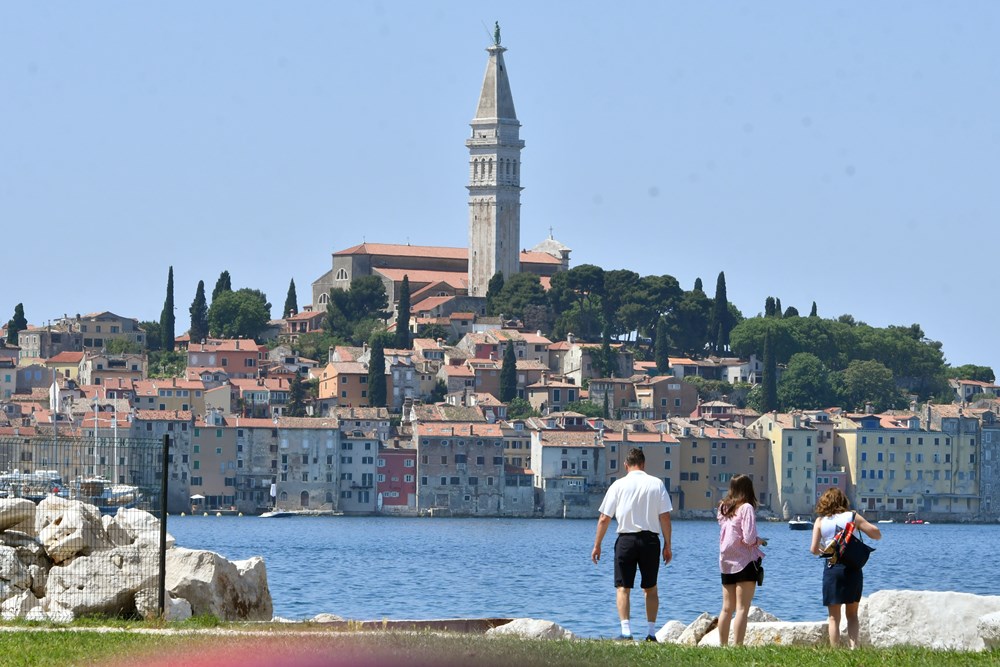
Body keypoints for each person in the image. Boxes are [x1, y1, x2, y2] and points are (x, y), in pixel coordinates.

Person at [591, 447, 673, 642]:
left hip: (626, 541)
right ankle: (651, 633)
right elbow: (665, 517)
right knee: (651, 588)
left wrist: (597, 545)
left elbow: (604, 518)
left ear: (626, 465)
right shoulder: (657, 484)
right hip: (650, 541)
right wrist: (668, 545)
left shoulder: (618, 485)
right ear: (643, 464)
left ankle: (626, 632)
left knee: (623, 587)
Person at [809, 488, 882, 648]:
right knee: (852, 615)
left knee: (834, 617)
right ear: (843, 501)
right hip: (852, 570)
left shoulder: (820, 521)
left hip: (832, 569)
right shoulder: (852, 516)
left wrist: (825, 546)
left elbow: (814, 550)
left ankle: (835, 650)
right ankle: (853, 649)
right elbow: (876, 534)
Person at [716, 474, 765, 646]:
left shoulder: (723, 507)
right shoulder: (746, 508)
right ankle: (737, 646)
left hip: (726, 562)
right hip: (744, 561)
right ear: (748, 489)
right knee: (742, 609)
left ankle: (722, 646)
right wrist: (760, 541)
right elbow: (749, 538)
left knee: (726, 608)